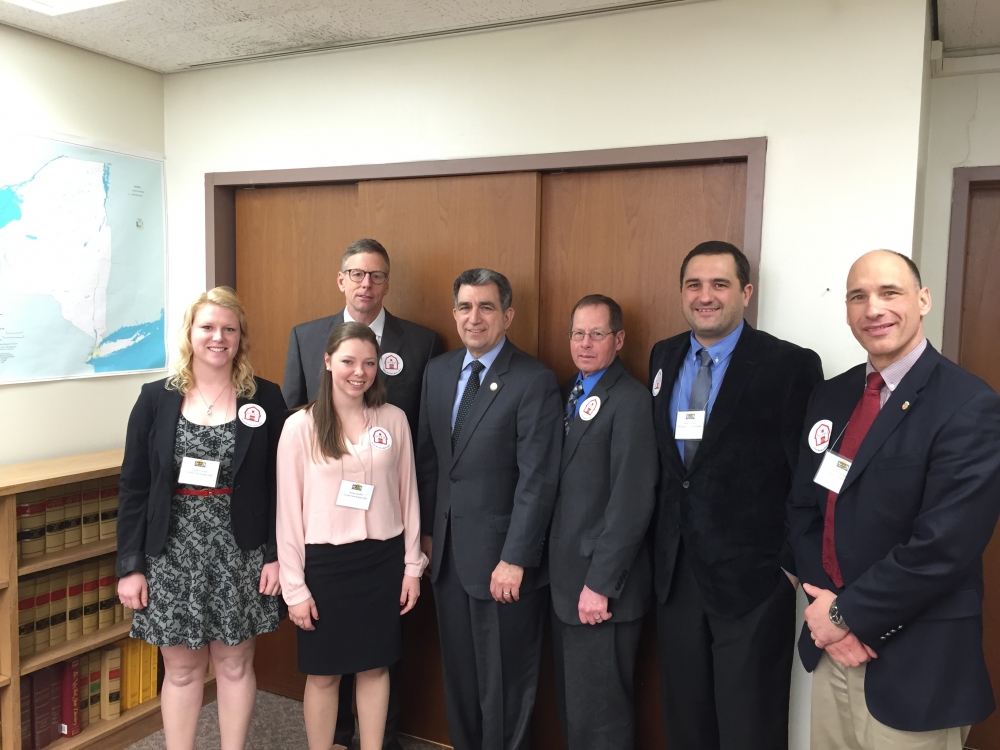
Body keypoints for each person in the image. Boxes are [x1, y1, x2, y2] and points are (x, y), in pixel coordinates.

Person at [788, 250, 1000, 750]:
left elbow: (943, 546)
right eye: (858, 296)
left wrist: (846, 617)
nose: (873, 309)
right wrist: (828, 615)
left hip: (915, 663)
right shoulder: (832, 396)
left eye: (890, 292)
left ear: (922, 299)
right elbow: (804, 507)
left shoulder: (969, 404)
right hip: (832, 651)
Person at [648, 241, 823, 750]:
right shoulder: (664, 354)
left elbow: (806, 476)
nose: (706, 296)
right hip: (676, 574)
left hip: (753, 581)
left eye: (719, 284)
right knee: (686, 718)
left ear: (745, 292)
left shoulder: (789, 365)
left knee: (750, 724)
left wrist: (790, 569)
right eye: (694, 285)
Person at [283, 237, 441, 750]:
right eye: (348, 361)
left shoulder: (393, 419)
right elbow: (289, 512)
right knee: (325, 674)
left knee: (376, 668)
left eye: (368, 363)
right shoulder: (300, 427)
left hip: (381, 561)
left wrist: (412, 565)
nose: (359, 372)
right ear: (327, 362)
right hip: (323, 565)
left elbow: (409, 494)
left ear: (380, 367)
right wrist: (294, 586)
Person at [116, 287, 287, 750]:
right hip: (171, 552)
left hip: (242, 551)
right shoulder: (156, 399)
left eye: (229, 329)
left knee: (234, 666)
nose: (218, 337)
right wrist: (131, 565)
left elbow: (282, 487)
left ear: (240, 338)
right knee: (183, 670)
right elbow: (133, 487)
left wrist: (275, 556)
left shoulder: (266, 398)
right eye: (208, 327)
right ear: (190, 334)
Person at [416, 268, 562, 750]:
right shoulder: (438, 372)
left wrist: (515, 557)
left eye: (485, 307)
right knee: (459, 678)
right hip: (447, 559)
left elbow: (537, 480)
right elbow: (431, 462)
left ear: (508, 315)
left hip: (503, 562)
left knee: (504, 685)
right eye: (464, 307)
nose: (473, 317)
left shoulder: (533, 379)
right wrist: (428, 538)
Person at [548, 294, 657, 750]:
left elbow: (631, 502)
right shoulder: (564, 393)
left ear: (619, 340)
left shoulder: (629, 399)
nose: (585, 344)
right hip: (564, 583)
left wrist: (600, 584)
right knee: (579, 710)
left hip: (601, 589)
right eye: (578, 333)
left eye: (597, 334)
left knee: (603, 718)